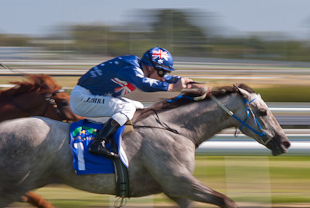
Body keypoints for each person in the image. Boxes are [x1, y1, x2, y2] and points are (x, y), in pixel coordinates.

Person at [69, 47, 207, 159]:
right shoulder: (130, 67)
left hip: (92, 96)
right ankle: (98, 143)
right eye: (162, 72)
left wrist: (190, 83)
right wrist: (171, 87)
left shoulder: (140, 67)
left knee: (140, 107)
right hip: (82, 98)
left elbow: (165, 79)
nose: (163, 76)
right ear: (151, 67)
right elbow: (143, 84)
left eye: (165, 72)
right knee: (127, 108)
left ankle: (117, 139)